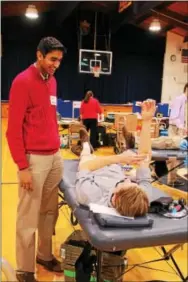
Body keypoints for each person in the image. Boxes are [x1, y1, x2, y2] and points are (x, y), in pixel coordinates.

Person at [6, 37, 66, 282]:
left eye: (59, 61)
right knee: (28, 216)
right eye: (52, 59)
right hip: (34, 160)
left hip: (54, 157)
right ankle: (24, 269)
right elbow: (12, 130)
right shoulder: (22, 82)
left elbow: (49, 118)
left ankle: (44, 255)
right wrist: (22, 167)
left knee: (49, 213)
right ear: (39, 55)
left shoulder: (52, 82)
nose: (56, 65)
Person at [74, 100, 156, 217]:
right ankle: (128, 146)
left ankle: (85, 143)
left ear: (115, 197)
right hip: (114, 168)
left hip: (94, 169)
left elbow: (85, 167)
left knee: (86, 156)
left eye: (125, 183)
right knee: (134, 168)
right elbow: (144, 158)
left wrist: (119, 158)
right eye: (133, 183)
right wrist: (147, 120)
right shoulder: (142, 196)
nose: (127, 180)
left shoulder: (90, 195)